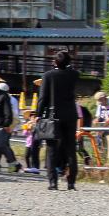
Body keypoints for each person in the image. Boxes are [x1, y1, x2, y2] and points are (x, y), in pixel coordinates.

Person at [36, 49, 82, 191]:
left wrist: (38, 113)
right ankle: (71, 182)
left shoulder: (48, 75)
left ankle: (53, 182)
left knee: (51, 149)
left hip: (53, 115)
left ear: (54, 62)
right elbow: (72, 70)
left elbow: (43, 97)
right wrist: (66, 62)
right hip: (70, 115)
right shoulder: (74, 75)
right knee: (70, 148)